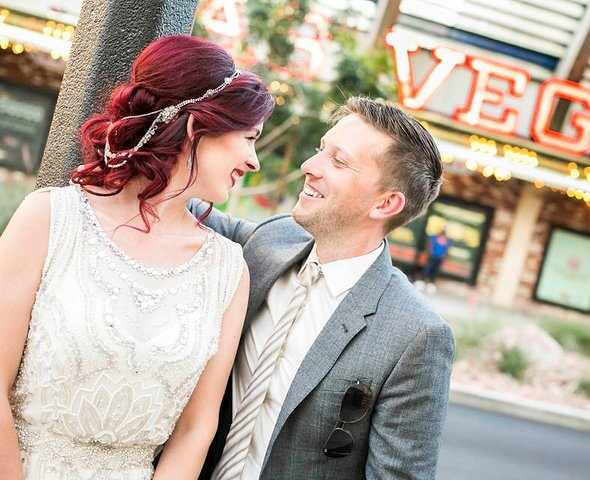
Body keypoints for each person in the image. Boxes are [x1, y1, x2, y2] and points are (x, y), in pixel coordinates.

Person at [0, 35, 274, 479]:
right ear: (195, 129)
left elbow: (195, 429)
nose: (254, 160)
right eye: (249, 138)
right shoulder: (50, 218)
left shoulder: (227, 270)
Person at [191, 97, 455, 480]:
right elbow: (182, 208)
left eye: (338, 161)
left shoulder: (416, 336)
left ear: (386, 203)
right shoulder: (269, 240)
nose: (309, 167)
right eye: (320, 150)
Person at [417, 226, 453, 293]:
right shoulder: (434, 237)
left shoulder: (448, 240)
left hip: (440, 258)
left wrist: (445, 258)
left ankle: (431, 284)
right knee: (427, 268)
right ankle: (421, 281)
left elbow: (448, 250)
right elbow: (429, 245)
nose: (443, 231)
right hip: (432, 256)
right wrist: (428, 253)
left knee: (435, 271)